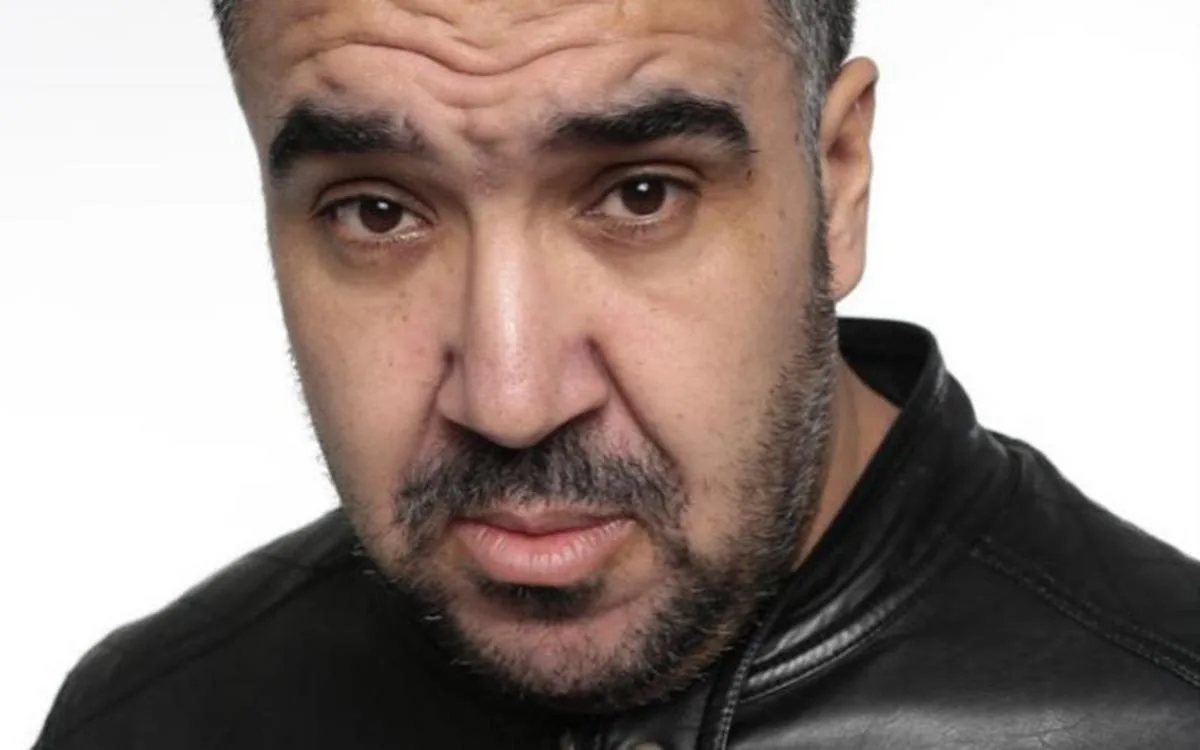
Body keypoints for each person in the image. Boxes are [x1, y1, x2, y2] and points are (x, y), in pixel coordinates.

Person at [34, 0, 1200, 747]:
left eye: (642, 194)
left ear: (838, 180)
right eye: (377, 210)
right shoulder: (152, 720)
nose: (511, 399)